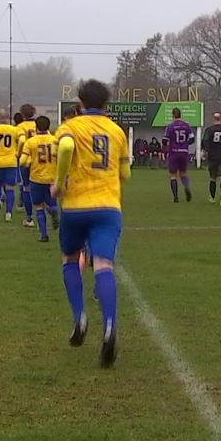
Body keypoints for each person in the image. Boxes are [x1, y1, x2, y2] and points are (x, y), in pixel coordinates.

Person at [52, 79, 130, 368]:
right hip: (108, 207)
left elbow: (65, 149)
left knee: (70, 259)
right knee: (103, 265)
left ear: (81, 101)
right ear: (106, 103)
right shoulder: (117, 131)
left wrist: (59, 183)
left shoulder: (70, 127)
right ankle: (109, 326)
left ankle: (79, 317)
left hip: (75, 206)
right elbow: (126, 174)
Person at [20, 116, 59, 242]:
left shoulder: (30, 142)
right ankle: (53, 212)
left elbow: (23, 161)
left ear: (36, 127)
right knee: (52, 203)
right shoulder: (55, 140)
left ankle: (43, 234)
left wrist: (27, 163)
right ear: (48, 127)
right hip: (52, 178)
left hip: (36, 178)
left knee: (38, 206)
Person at [164, 108, 195, 202]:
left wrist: (168, 146)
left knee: (173, 175)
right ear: (180, 115)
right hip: (184, 152)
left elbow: (164, 140)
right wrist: (185, 144)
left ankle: (175, 197)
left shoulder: (170, 126)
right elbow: (192, 139)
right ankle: (186, 187)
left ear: (173, 115)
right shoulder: (186, 125)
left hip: (173, 152)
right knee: (183, 173)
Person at [16, 104, 39, 228]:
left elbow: (21, 140)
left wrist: (19, 153)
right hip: (40, 159)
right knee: (42, 186)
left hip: (26, 159)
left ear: (22, 114)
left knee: (26, 187)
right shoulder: (38, 124)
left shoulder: (20, 127)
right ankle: (49, 212)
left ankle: (29, 218)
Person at [201, 112, 221, 206]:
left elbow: (204, 141)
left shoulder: (209, 130)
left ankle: (212, 197)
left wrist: (207, 150)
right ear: (220, 119)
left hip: (212, 156)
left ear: (214, 119)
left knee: (213, 178)